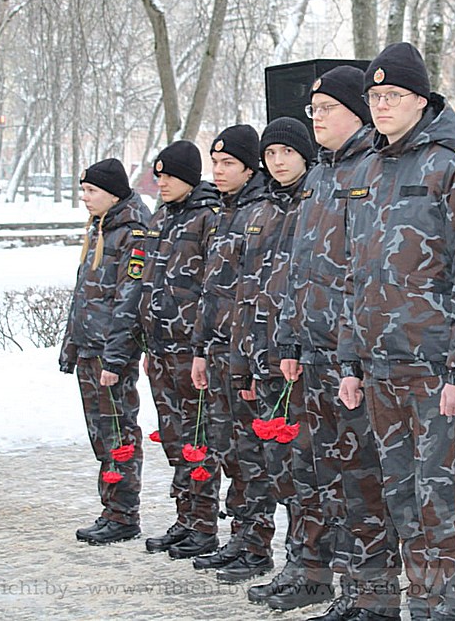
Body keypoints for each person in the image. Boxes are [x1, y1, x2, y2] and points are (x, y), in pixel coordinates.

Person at [337, 43, 455, 621]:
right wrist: (349, 361)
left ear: (421, 101)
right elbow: (354, 270)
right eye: (374, 97)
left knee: (437, 495)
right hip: (379, 365)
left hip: (433, 365)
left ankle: (447, 602)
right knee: (399, 493)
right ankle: (419, 598)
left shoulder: (451, 166)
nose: (381, 106)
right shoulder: (366, 167)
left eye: (392, 96)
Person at [277, 65, 401, 621]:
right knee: (331, 480)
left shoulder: (372, 168)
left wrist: (350, 349)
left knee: (365, 484)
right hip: (316, 352)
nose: (316, 119)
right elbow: (299, 268)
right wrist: (291, 339)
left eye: (326, 108)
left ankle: (376, 599)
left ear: (356, 111)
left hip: (355, 355)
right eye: (314, 110)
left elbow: (367, 270)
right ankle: (350, 589)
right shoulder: (321, 175)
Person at [230, 117, 334, 612]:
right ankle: (297, 563)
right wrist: (248, 363)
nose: (277, 162)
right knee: (284, 473)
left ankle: (314, 569)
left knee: (309, 471)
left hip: (305, 361)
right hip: (269, 359)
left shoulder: (317, 201)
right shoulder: (267, 211)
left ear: (305, 155)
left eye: (286, 152)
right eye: (270, 155)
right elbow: (250, 292)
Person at [190, 125, 275, 582]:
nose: (218, 172)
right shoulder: (223, 212)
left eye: (228, 164)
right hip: (219, 350)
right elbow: (213, 290)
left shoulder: (260, 210)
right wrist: (203, 348)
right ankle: (240, 538)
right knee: (229, 450)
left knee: (251, 452)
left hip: (246, 354)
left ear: (249, 167)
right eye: (215, 164)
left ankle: (257, 545)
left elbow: (258, 291)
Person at [59, 158, 151, 545]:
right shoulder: (101, 228)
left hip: (111, 353)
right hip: (90, 348)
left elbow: (129, 300)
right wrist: (71, 345)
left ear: (112, 193)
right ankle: (111, 508)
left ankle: (124, 512)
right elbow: (85, 295)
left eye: (91, 191)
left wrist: (115, 358)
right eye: (83, 190)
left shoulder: (132, 232)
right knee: (101, 432)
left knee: (118, 430)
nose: (84, 198)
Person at [136, 140, 221, 557]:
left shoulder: (208, 217)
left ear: (188, 177)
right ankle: (185, 517)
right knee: (174, 439)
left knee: (198, 438)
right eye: (159, 176)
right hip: (161, 349)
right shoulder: (161, 218)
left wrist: (203, 345)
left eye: (168, 176)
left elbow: (213, 287)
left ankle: (205, 525)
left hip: (191, 350)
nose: (161, 183)